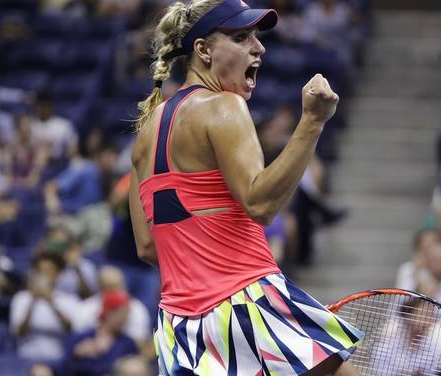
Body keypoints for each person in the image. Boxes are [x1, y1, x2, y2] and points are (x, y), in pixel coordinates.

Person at [129, 1, 362, 375]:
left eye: (255, 36)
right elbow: (259, 203)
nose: (259, 47)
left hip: (181, 331)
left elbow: (147, 246)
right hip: (244, 301)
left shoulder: (146, 133)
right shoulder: (223, 107)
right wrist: (313, 122)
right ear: (203, 50)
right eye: (240, 38)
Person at [10, 253, 79, 363]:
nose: (44, 274)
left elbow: (71, 329)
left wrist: (51, 302)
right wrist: (32, 302)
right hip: (26, 357)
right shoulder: (22, 298)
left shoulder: (69, 300)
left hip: (58, 358)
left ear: (58, 274)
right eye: (40, 270)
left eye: (49, 270)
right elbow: (19, 332)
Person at [63, 289, 139, 375]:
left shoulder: (127, 344)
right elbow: (63, 369)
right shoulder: (80, 338)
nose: (125, 319)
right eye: (122, 314)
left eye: (127, 315)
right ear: (109, 313)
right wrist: (76, 354)